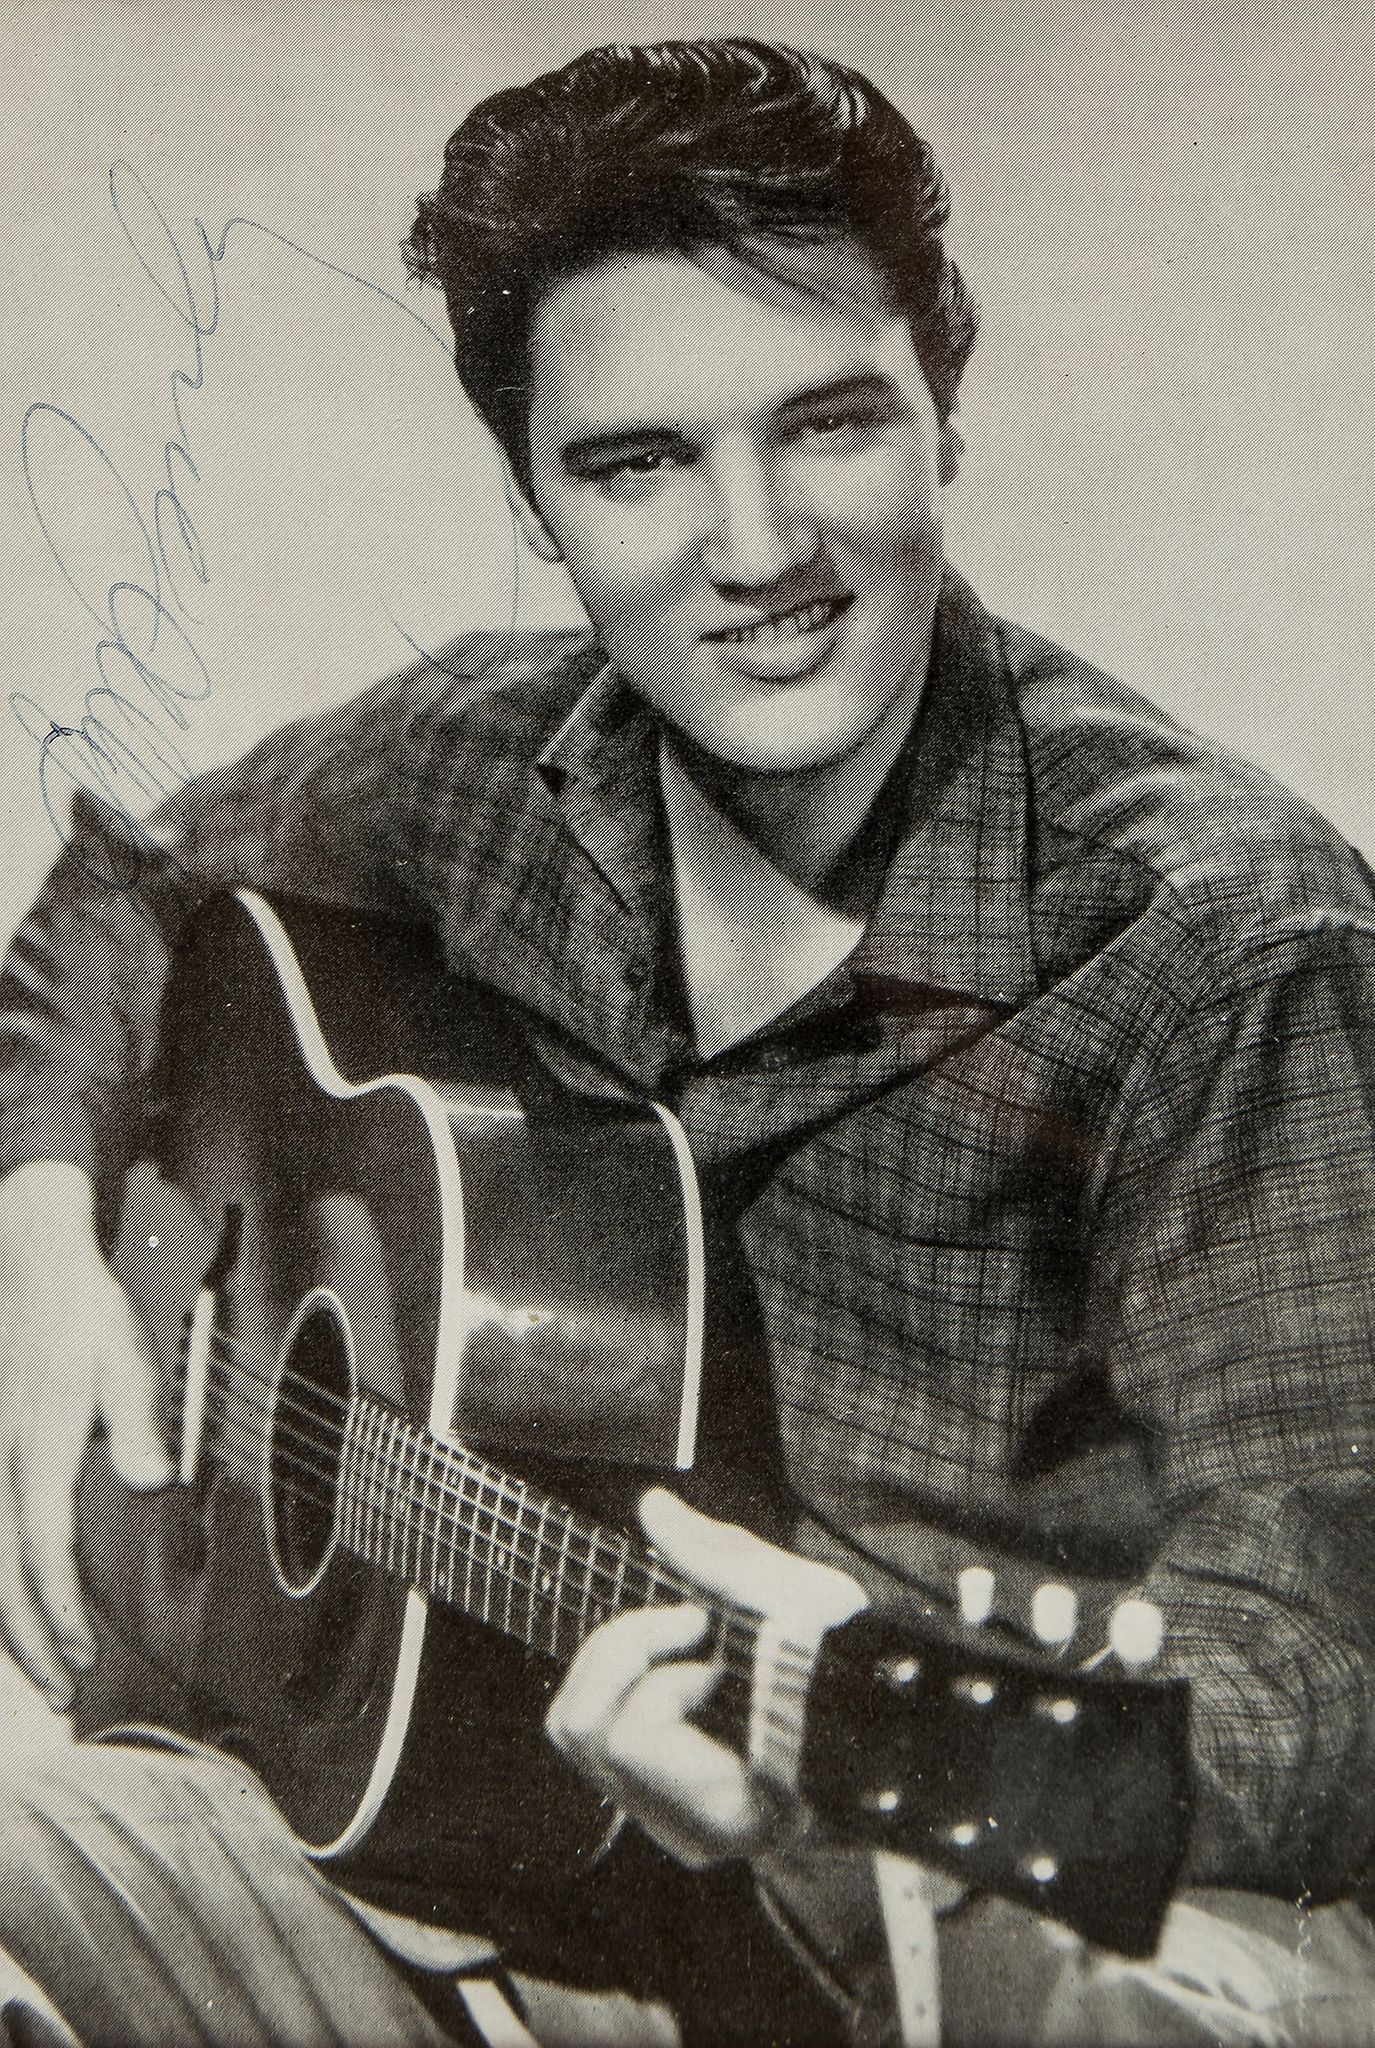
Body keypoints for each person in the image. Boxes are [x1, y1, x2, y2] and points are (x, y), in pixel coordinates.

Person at [0, 32, 1374, 2046]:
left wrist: (865, 1758)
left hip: (946, 1917)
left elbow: (1326, 1687)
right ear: (533, 499)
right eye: (634, 461)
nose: (755, 553)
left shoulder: (1221, 939)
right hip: (421, 1859)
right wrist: (41, 1230)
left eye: (826, 425)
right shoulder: (479, 764)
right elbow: (128, 885)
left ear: (944, 406)